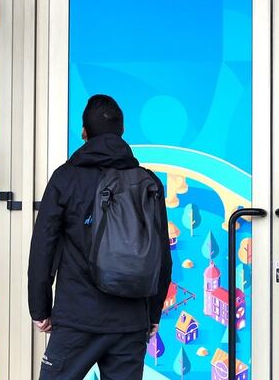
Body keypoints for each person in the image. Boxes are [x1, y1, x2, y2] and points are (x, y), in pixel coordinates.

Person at [28, 95, 172, 380]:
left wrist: (40, 308)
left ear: (84, 133)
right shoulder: (148, 182)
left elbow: (43, 247)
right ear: (122, 132)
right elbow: (161, 256)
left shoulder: (66, 179)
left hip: (77, 318)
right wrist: (152, 313)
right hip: (130, 321)